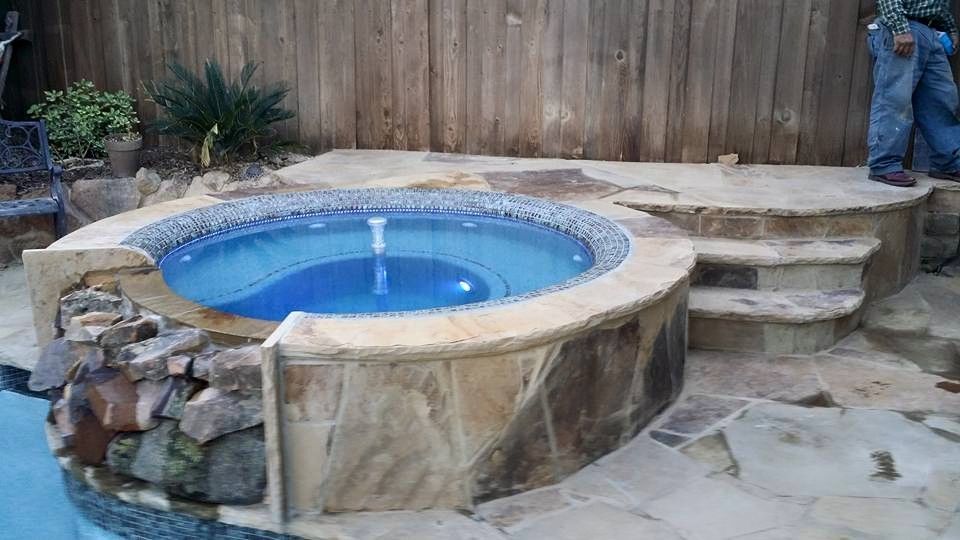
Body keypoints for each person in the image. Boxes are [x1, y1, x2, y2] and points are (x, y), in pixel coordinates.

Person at [868, 0, 960, 187]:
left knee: (941, 100)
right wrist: (900, 29)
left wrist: (950, 28)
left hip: (931, 32)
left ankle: (949, 163)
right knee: (895, 99)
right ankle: (884, 165)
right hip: (904, 28)